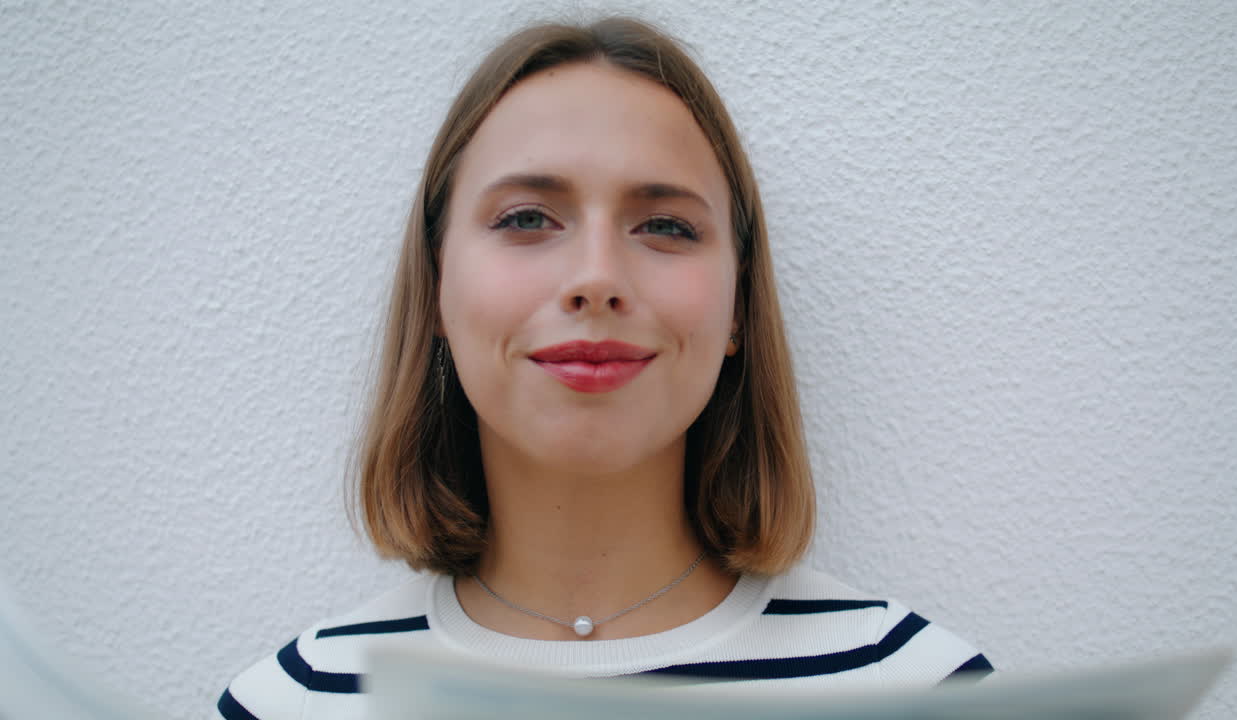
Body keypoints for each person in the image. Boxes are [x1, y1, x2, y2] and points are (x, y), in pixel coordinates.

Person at [214, 16, 992, 720]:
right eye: (525, 218)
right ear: (437, 289)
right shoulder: (292, 702)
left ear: (736, 308)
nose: (596, 277)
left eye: (664, 225)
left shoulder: (922, 691)